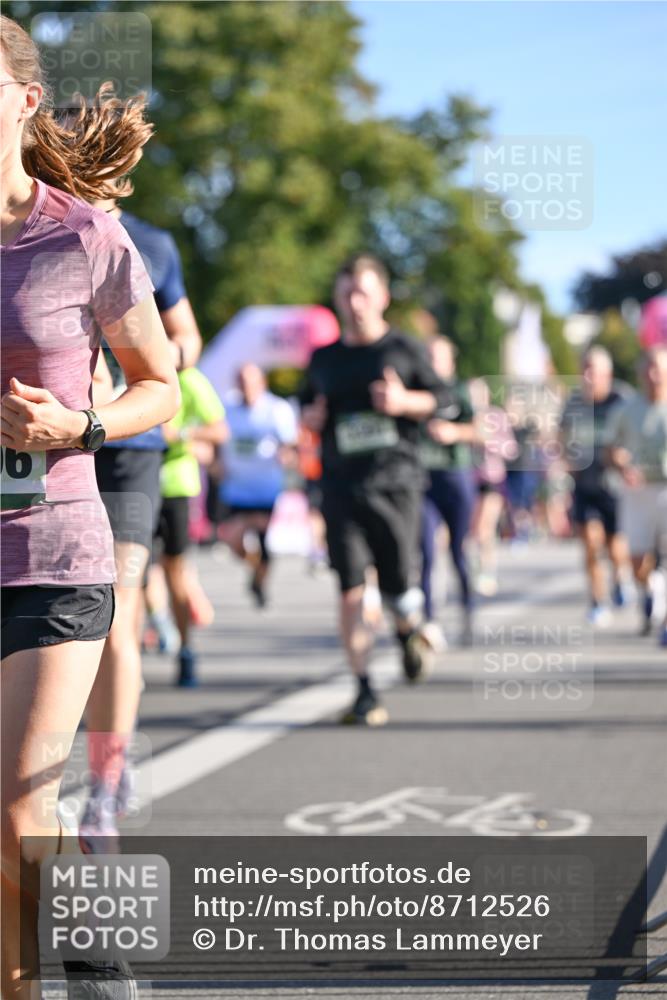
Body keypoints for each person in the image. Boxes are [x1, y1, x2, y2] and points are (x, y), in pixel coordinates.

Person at [0, 16, 180, 998]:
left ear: (24, 101)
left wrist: (77, 425)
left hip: (54, 549)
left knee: (16, 812)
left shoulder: (81, 234)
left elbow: (162, 382)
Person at [62, 91, 202, 852]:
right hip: (49, 452)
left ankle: (106, 785)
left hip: (129, 454)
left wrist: (138, 386)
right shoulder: (32, 231)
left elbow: (183, 340)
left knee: (116, 608)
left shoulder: (148, 243)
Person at [300, 254, 451, 726]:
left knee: (399, 590)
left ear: (383, 296)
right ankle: (364, 689)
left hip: (396, 486)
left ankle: (408, 632)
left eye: (363, 291)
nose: (355, 301)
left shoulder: (404, 350)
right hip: (341, 488)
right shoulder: (323, 359)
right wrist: (310, 419)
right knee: (349, 589)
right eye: (347, 292)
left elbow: (446, 399)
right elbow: (305, 406)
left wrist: (405, 401)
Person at [155, 366, 227, 686]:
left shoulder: (188, 377)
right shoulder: (115, 365)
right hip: (129, 482)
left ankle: (185, 650)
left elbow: (219, 430)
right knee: (130, 574)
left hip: (175, 487)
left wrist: (182, 434)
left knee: (175, 570)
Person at [559, 346, 631, 625]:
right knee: (589, 542)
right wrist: (566, 460)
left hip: (615, 485)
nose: (589, 375)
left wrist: (626, 459)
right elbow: (561, 435)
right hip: (585, 483)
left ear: (607, 373)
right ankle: (598, 601)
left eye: (594, 370)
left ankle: (621, 577)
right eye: (585, 369)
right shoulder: (574, 402)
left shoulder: (621, 400)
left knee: (616, 546)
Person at [219, 363, 298, 607]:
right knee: (232, 539)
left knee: (264, 543)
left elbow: (290, 445)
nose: (246, 387)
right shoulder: (227, 408)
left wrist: (287, 458)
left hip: (267, 488)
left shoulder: (277, 409)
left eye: (251, 381)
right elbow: (217, 439)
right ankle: (255, 569)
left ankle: (259, 584)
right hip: (237, 487)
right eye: (242, 381)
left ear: (262, 383)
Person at [605, 347, 667, 645]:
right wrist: (621, 463)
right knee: (638, 561)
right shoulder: (627, 409)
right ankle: (653, 588)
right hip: (638, 490)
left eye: (660, 368)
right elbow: (610, 449)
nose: (655, 375)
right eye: (650, 368)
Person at [419, 336, 478, 645]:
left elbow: (481, 429)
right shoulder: (416, 393)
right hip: (423, 479)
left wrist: (454, 431)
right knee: (426, 551)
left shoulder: (459, 391)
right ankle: (428, 620)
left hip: (455, 476)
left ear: (449, 361)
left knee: (458, 551)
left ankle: (468, 609)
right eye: (427, 356)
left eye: (437, 357)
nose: (432, 362)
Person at [468, 377, 518, 596]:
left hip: (492, 479)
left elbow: (511, 448)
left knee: (484, 528)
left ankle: (488, 571)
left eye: (479, 394)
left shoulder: (496, 416)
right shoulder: (463, 417)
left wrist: (489, 442)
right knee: (471, 529)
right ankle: (476, 567)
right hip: (470, 480)